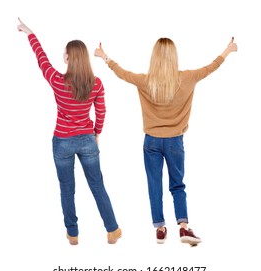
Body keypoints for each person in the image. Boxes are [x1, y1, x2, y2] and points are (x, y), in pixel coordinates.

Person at [94, 37, 237, 246]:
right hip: (175, 142)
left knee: (154, 186)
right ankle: (184, 228)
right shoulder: (188, 78)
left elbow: (122, 73)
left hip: (151, 141)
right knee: (177, 185)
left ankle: (160, 229)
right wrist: (228, 50)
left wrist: (105, 57)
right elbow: (211, 67)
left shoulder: (145, 81)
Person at [17, 18, 121, 245]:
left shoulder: (56, 80)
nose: (63, 55)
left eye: (65, 53)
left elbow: (41, 58)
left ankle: (73, 234)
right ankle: (112, 230)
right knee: (97, 186)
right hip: (87, 140)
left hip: (62, 140)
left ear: (68, 58)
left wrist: (30, 33)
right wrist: (97, 134)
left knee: (67, 189)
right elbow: (101, 111)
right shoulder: (97, 84)